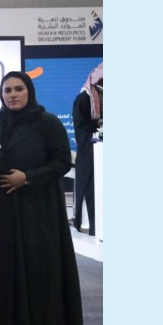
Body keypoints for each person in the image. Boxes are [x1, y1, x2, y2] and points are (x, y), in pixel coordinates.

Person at [0, 71, 83, 325]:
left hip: (38, 209)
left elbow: (62, 162)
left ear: (29, 91)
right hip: (2, 211)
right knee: (11, 268)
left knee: (42, 269)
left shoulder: (47, 123)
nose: (13, 95)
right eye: (7, 90)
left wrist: (27, 177)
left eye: (18, 89)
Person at [71, 64, 103, 235]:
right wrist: (99, 130)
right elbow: (82, 127)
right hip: (90, 150)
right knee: (89, 184)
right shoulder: (84, 99)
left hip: (101, 149)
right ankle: (87, 223)